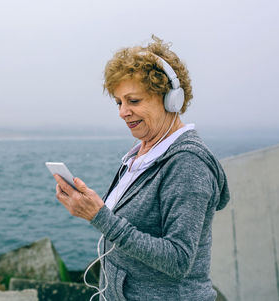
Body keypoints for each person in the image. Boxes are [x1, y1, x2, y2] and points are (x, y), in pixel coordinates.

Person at [53, 36, 230, 300]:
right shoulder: (141, 154)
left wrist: (99, 216)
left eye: (133, 101)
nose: (123, 112)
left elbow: (179, 259)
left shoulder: (188, 164)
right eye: (119, 102)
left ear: (171, 99)